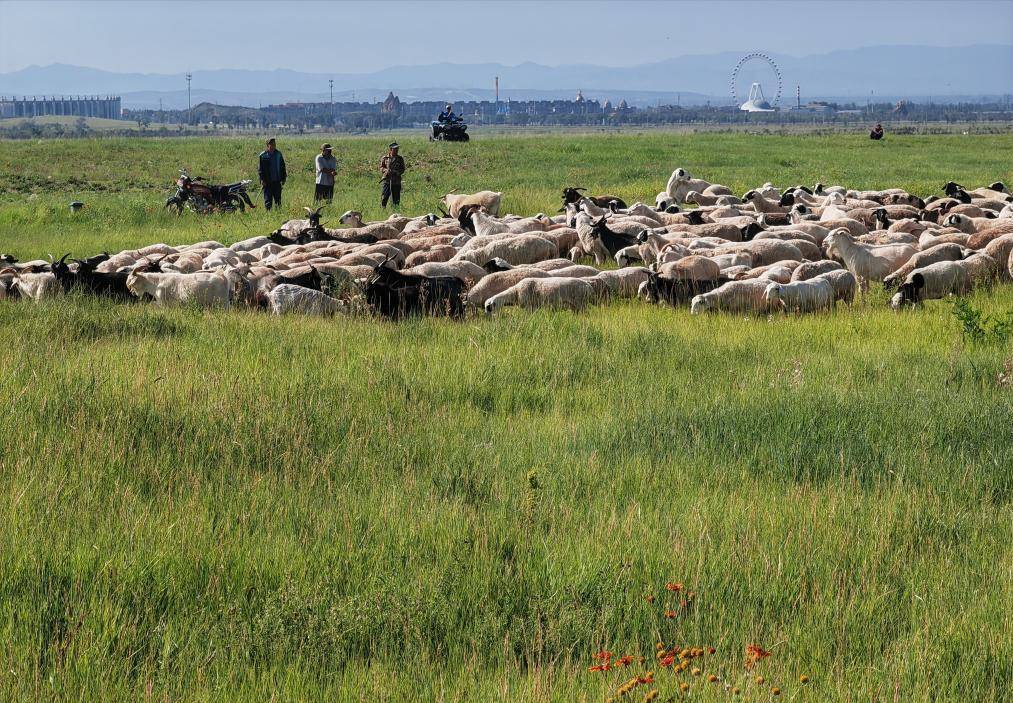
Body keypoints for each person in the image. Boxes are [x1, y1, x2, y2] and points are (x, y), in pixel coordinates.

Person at [258, 137, 287, 210]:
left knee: (278, 201)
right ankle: (268, 216)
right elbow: (260, 170)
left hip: (277, 181)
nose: (274, 146)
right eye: (272, 144)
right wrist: (262, 180)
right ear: (268, 145)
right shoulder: (263, 155)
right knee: (268, 201)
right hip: (267, 182)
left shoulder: (278, 154)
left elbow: (283, 166)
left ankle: (278, 214)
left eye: (274, 144)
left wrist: (283, 178)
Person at [379, 142, 405, 209]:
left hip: (396, 181)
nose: (396, 150)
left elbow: (403, 169)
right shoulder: (385, 158)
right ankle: (383, 209)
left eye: (397, 149)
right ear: (390, 149)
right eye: (395, 149)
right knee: (384, 197)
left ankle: (395, 211)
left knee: (396, 199)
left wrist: (396, 172)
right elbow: (381, 167)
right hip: (387, 180)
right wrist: (386, 170)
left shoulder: (400, 158)